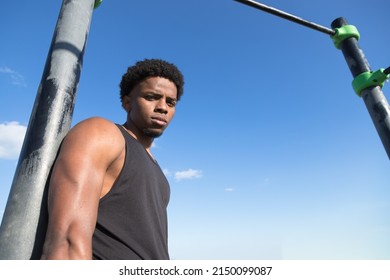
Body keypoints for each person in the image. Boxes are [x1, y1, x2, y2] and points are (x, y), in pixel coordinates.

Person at [40, 58, 185, 260]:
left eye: (171, 102)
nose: (163, 107)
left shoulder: (158, 172)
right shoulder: (101, 133)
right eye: (152, 97)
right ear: (127, 102)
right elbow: (67, 241)